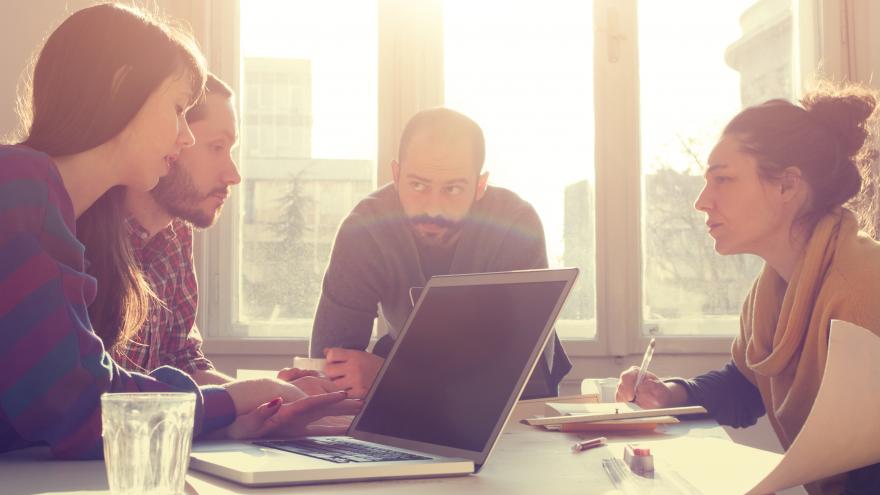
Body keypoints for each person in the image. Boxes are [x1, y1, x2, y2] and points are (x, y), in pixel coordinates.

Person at [0, 4, 354, 460]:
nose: (184, 136)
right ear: (121, 87)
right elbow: (78, 404)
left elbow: (67, 402)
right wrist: (237, 399)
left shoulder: (49, 204)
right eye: (178, 109)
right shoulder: (17, 184)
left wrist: (232, 423)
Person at [615, 86, 880, 494]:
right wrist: (670, 394)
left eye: (722, 179)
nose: (702, 201)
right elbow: (748, 383)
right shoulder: (771, 288)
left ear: (787, 186)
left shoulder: (865, 290)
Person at [308, 107, 571, 399]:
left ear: (479, 185)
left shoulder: (514, 223)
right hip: (405, 391)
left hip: (513, 405)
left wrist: (391, 377)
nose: (433, 208)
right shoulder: (365, 229)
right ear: (396, 176)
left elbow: (518, 370)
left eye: (453, 189)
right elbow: (329, 362)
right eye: (418, 185)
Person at [78, 73, 240, 384]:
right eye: (217, 147)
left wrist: (270, 397)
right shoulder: (75, 230)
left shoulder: (175, 234)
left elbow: (181, 360)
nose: (233, 175)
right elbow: (87, 392)